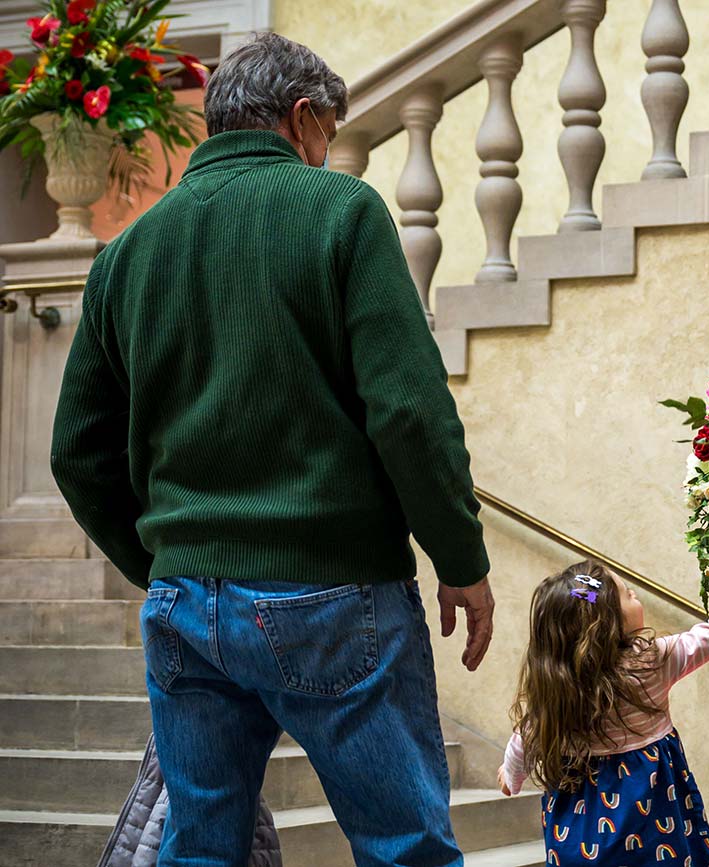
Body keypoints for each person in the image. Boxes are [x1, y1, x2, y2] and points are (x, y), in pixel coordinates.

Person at [49, 32, 493, 867]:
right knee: (407, 849)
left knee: (199, 853)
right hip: (333, 593)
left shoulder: (127, 253)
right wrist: (461, 559)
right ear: (301, 118)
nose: (327, 151)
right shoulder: (341, 210)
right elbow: (408, 412)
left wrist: (168, 559)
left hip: (186, 605)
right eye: (328, 130)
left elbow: (77, 453)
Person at [497, 517, 709, 866]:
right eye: (627, 595)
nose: (635, 593)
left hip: (582, 838)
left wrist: (511, 777)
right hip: (655, 821)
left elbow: (523, 740)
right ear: (607, 625)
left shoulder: (557, 693)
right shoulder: (652, 662)